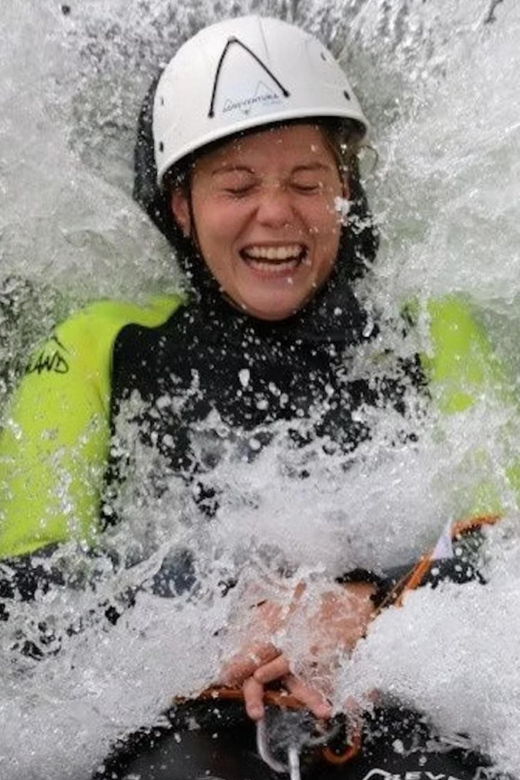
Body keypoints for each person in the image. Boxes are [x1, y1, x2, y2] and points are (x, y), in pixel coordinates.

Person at [0, 15, 514, 779]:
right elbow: (26, 597)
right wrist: (217, 619)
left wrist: (363, 605)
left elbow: (505, 546)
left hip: (391, 701)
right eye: (236, 186)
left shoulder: (430, 335)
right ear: (181, 206)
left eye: (308, 183)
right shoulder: (99, 349)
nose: (276, 214)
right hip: (190, 721)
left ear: (346, 193)